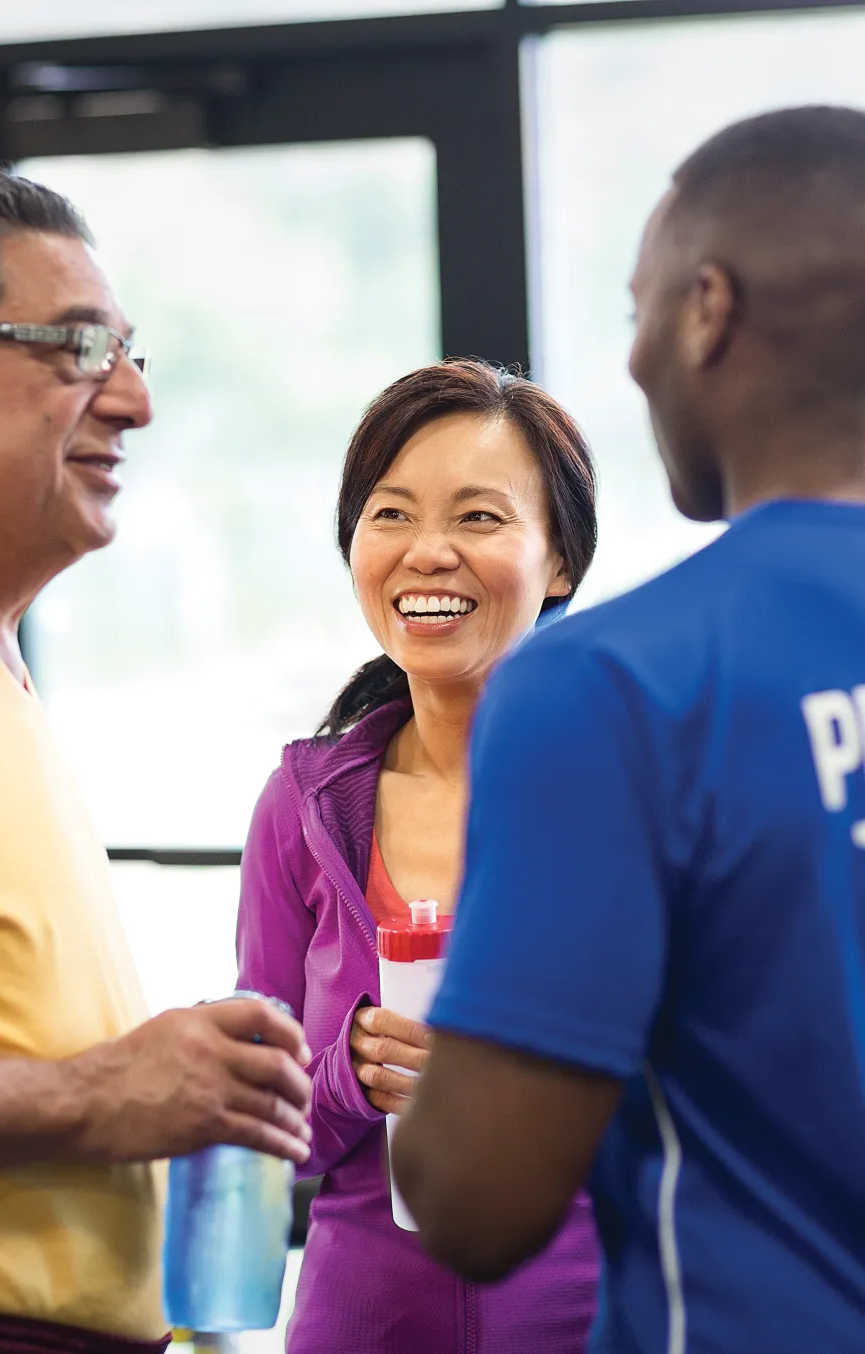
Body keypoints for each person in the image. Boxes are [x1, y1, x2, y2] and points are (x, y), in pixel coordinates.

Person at [394, 104, 865, 1354]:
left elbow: (475, 1197)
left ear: (707, 310)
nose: (635, 360)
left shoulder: (612, 685)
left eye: (637, 309)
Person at [0, 161, 312, 1354]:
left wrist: (158, 1073)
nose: (130, 402)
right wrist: (97, 1095)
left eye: (130, 355)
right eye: (75, 351)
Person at [236, 359, 600, 1354]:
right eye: (390, 514)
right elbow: (262, 1133)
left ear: (558, 560)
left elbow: (740, 1086)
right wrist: (348, 1069)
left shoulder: (631, 791)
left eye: (478, 518)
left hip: (594, 1309)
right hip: (360, 1316)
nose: (426, 552)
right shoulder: (304, 807)